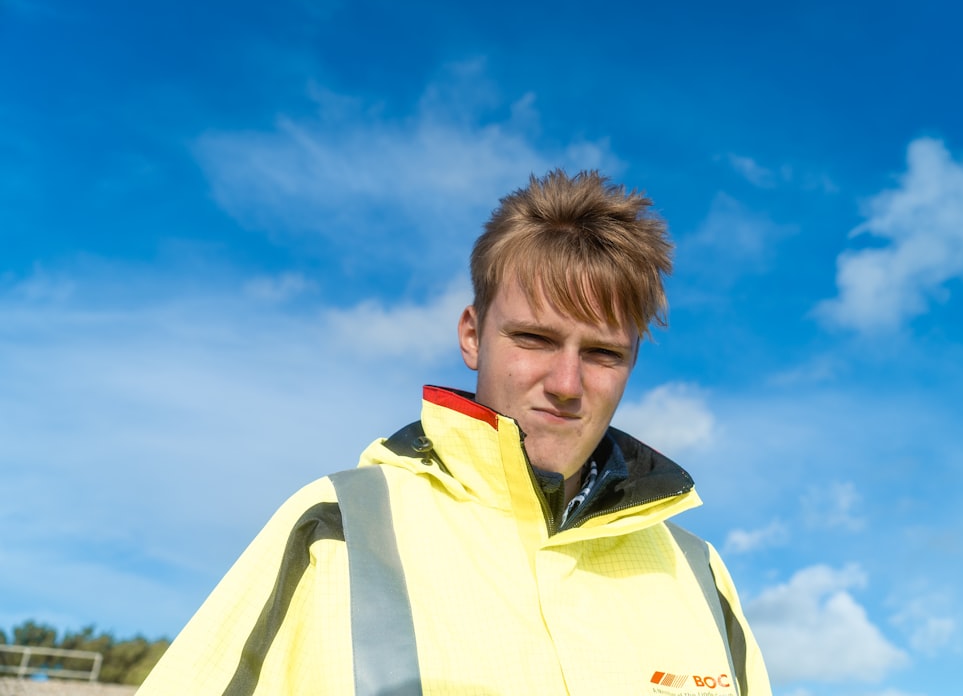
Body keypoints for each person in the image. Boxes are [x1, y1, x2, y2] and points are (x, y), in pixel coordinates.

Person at [137, 170, 771, 696]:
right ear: (473, 334)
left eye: (603, 353)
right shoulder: (336, 526)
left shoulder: (699, 575)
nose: (567, 382)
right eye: (534, 338)